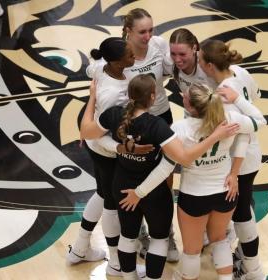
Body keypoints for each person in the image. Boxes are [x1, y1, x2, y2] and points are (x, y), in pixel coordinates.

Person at [80, 73, 240, 280]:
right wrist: (217, 139)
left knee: (127, 236)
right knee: (159, 239)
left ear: (129, 94)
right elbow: (180, 159)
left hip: (122, 186)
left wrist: (120, 146)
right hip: (154, 191)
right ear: (153, 97)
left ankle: (128, 278)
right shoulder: (159, 126)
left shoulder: (113, 115)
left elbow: (90, 135)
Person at [120, 82, 266, 280]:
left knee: (192, 250)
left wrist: (139, 193)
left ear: (189, 106)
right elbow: (259, 121)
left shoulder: (179, 129)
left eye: (184, 95)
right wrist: (238, 99)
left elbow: (165, 168)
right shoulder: (229, 119)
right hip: (225, 191)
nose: (181, 94)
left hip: (194, 197)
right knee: (220, 240)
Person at [66, 37, 150, 277]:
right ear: (115, 62)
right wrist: (119, 149)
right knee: (112, 204)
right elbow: (101, 131)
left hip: (96, 146)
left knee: (103, 194)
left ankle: (80, 248)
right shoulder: (111, 95)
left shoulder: (102, 66)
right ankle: (116, 263)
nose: (134, 57)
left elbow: (90, 67)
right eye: (129, 55)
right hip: (106, 149)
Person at [199, 39, 266, 280]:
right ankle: (246, 260)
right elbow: (256, 95)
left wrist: (234, 173)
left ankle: (254, 270)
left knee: (241, 214)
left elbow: (243, 134)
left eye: (200, 60)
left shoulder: (224, 96)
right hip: (252, 157)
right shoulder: (240, 71)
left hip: (240, 160)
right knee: (244, 206)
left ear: (208, 65)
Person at [121, 7, 179, 261]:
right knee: (132, 173)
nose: (148, 36)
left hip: (161, 115)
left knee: (167, 174)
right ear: (128, 31)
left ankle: (166, 232)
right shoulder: (119, 54)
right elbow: (98, 73)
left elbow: (170, 71)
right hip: (131, 121)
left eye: (150, 30)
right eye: (142, 32)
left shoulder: (159, 44)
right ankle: (140, 231)